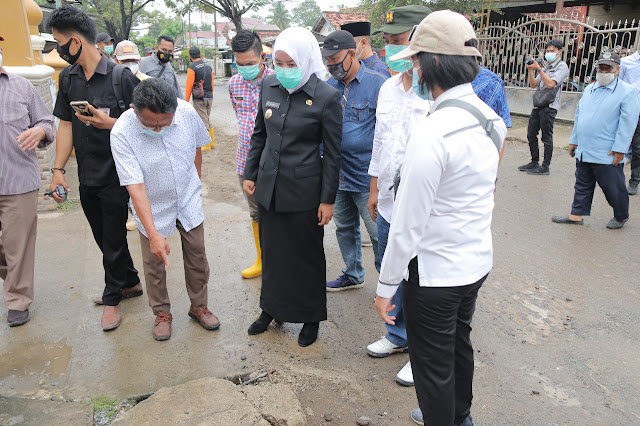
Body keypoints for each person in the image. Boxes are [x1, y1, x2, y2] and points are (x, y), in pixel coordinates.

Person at [375, 10, 507, 425]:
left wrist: (386, 285)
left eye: (415, 59)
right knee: (458, 346)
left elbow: (407, 224)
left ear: (430, 63)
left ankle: (444, 417)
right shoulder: (491, 120)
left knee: (432, 365)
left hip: (435, 275)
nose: (412, 67)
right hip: (474, 263)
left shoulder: (433, 133)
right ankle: (460, 415)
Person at [242, 27, 342, 347]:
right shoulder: (268, 85)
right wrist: (251, 172)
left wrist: (328, 199)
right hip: (269, 187)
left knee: (306, 256)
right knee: (273, 253)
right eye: (278, 62)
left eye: (290, 63)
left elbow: (334, 154)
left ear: (306, 59)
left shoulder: (326, 96)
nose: (284, 70)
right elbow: (260, 133)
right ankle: (271, 309)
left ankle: (310, 317)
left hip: (305, 193)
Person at [47, 6, 142, 331]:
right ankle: (129, 281)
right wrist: (58, 169)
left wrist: (109, 123)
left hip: (118, 174)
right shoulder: (68, 77)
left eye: (58, 42)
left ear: (75, 41)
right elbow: (65, 126)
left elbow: (144, 127)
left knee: (113, 237)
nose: (56, 49)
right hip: (86, 174)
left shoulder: (120, 77)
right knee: (102, 236)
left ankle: (113, 296)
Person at [110, 78, 219, 341]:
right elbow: (134, 186)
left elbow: (196, 149)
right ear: (135, 110)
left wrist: (195, 184)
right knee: (155, 262)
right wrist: (152, 233)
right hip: (152, 203)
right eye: (150, 124)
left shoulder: (186, 112)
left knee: (196, 254)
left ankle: (199, 306)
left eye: (165, 123)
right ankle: (162, 313)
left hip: (187, 198)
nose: (159, 129)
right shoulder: (122, 132)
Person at [365, 4, 432, 388]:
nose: (391, 50)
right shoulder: (389, 87)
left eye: (397, 42)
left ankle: (422, 353)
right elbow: (381, 143)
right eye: (387, 42)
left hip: (422, 209)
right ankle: (398, 337)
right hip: (390, 201)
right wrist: (375, 188)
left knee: (421, 280)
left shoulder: (435, 91)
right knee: (393, 270)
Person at [322, 30, 386, 292]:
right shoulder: (328, 87)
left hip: (366, 176)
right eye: (327, 60)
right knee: (345, 228)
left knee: (378, 233)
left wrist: (379, 182)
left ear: (352, 53)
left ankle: (388, 283)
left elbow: (387, 135)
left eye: (335, 58)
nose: (331, 65)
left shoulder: (378, 83)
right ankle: (353, 273)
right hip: (337, 175)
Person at [0, 40, 56, 327]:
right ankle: (14, 278)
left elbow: (48, 122)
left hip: (18, 182)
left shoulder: (21, 86)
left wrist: (38, 131)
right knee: (8, 249)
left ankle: (18, 299)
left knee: (18, 244)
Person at [552, 52, 640, 230]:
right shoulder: (589, 89)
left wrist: (621, 148)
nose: (604, 71)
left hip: (607, 151)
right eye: (601, 67)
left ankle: (621, 215)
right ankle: (576, 214)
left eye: (609, 68)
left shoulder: (628, 91)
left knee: (612, 187)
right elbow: (579, 116)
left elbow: (628, 123)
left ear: (618, 70)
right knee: (582, 183)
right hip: (585, 148)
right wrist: (574, 140)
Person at [229, 30, 275, 279]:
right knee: (255, 212)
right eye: (239, 64)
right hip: (245, 160)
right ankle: (261, 259)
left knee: (276, 211)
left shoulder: (277, 81)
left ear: (261, 58)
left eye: (250, 64)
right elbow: (241, 118)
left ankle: (279, 259)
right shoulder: (234, 84)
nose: (244, 68)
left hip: (274, 161)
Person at [519, 39, 569, 175]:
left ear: (560, 52)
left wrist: (539, 69)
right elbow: (534, 85)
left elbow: (551, 83)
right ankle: (534, 161)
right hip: (538, 104)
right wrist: (530, 71)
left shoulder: (562, 67)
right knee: (531, 134)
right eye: (547, 51)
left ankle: (545, 167)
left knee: (546, 137)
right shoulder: (546, 67)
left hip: (550, 105)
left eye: (552, 51)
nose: (549, 53)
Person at [618, 47, 640, 194]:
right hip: (626, 109)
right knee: (619, 143)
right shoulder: (625, 62)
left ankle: (634, 181)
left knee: (638, 148)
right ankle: (613, 177)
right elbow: (617, 85)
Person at [185, 46, 215, 151]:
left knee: (202, 120)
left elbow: (189, 86)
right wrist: (210, 94)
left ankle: (206, 145)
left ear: (190, 56)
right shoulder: (208, 66)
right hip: (209, 96)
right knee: (206, 118)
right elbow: (212, 82)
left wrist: (186, 101)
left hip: (199, 98)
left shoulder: (192, 67)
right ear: (200, 55)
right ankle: (212, 143)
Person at [139, 35, 183, 100]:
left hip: (167, 107)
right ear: (156, 48)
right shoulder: (142, 63)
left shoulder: (169, 67)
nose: (167, 53)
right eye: (164, 49)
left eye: (170, 51)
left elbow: (176, 90)